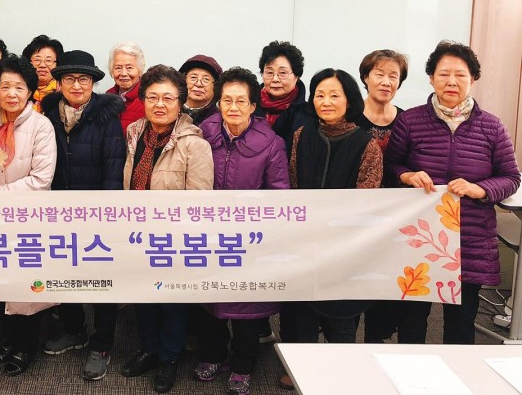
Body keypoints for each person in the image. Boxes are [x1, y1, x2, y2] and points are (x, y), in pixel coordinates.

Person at [386, 41, 520, 344]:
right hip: (420, 235)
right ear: (431, 78)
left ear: (473, 79)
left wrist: (479, 189)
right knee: (412, 320)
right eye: (443, 74)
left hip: (469, 239)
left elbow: (511, 177)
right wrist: (407, 175)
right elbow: (392, 165)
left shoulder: (492, 127)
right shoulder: (410, 121)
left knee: (461, 324)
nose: (451, 81)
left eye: (460, 75)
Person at [193, 67, 288, 394]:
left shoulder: (271, 144)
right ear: (218, 103)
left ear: (252, 106)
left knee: (247, 306)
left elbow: (279, 195)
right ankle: (212, 355)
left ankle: (242, 366)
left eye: (241, 101)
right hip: (207, 235)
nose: (233, 107)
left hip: (250, 240)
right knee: (209, 302)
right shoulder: (202, 134)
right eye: (227, 100)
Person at [121, 65, 213, 394]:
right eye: (152, 97)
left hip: (174, 237)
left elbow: (200, 201)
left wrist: (179, 235)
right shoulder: (134, 132)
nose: (159, 104)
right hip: (136, 232)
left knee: (172, 299)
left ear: (180, 102)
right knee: (143, 295)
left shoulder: (194, 144)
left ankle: (169, 357)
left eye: (168, 98)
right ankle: (148, 349)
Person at [40, 50, 125, 381]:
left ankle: (101, 344)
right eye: (70, 79)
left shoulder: (107, 118)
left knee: (102, 280)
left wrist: (106, 216)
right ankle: (74, 329)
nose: (77, 85)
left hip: (97, 215)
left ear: (93, 83)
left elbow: (114, 170)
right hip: (58, 213)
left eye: (84, 79)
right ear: (60, 83)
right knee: (64, 273)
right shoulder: (48, 117)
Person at [285, 69, 382, 349]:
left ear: (349, 100)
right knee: (301, 318)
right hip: (305, 243)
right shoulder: (302, 135)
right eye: (320, 95)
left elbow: (366, 200)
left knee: (342, 321)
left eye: (334, 95)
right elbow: (293, 185)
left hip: (345, 248)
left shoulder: (367, 144)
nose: (326, 101)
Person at [0, 54, 57, 376]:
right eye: (5, 86)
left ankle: (26, 348)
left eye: (19, 87)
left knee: (27, 287)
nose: (12, 94)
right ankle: (6, 342)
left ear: (30, 91)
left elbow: (41, 180)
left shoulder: (42, 126)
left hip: (29, 219)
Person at [355, 49, 415, 343]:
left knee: (386, 285)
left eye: (394, 76)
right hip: (357, 217)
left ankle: (375, 342)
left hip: (396, 219)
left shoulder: (408, 121)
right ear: (366, 77)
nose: (386, 81)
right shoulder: (350, 117)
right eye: (379, 74)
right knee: (354, 284)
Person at [257, 40, 309, 157]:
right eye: (269, 72)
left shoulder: (308, 114)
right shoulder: (249, 106)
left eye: (282, 73)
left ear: (296, 76)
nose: (275, 79)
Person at [106, 41, 146, 132]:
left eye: (129, 68)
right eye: (118, 68)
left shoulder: (148, 99)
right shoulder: (108, 96)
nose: (123, 73)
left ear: (140, 70)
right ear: (111, 70)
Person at [22, 34, 64, 113]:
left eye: (48, 60)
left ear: (57, 64)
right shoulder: (19, 91)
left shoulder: (64, 93)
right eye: (37, 60)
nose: (42, 65)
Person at [179, 54, 223, 126]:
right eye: (193, 77)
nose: (198, 84)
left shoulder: (221, 120)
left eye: (206, 79)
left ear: (215, 86)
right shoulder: (170, 112)